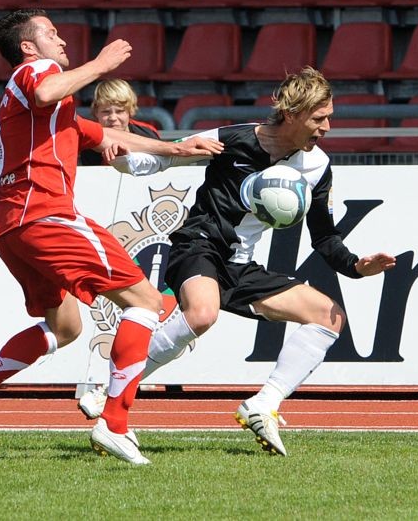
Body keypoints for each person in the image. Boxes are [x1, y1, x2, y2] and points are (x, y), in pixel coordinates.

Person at [0, 8, 222, 465]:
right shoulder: (37, 72)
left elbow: (104, 134)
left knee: (66, 326)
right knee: (146, 302)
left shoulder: (43, 111)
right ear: (29, 47)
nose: (62, 42)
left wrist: (178, 149)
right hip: (46, 215)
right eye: (51, 34)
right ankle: (115, 424)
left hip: (12, 227)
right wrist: (103, 65)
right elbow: (49, 86)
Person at [78, 66, 397, 456]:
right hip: (199, 244)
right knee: (202, 314)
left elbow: (325, 237)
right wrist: (124, 160)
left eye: (328, 116)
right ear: (293, 114)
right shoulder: (235, 138)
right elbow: (170, 155)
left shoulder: (316, 167)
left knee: (328, 316)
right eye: (319, 117)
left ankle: (264, 405)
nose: (327, 126)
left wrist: (356, 267)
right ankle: (114, 390)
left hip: (240, 264)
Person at [80, 78, 160, 165]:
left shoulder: (147, 134)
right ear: (96, 113)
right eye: (106, 112)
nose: (113, 118)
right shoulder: (89, 143)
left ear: (131, 111)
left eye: (120, 111)